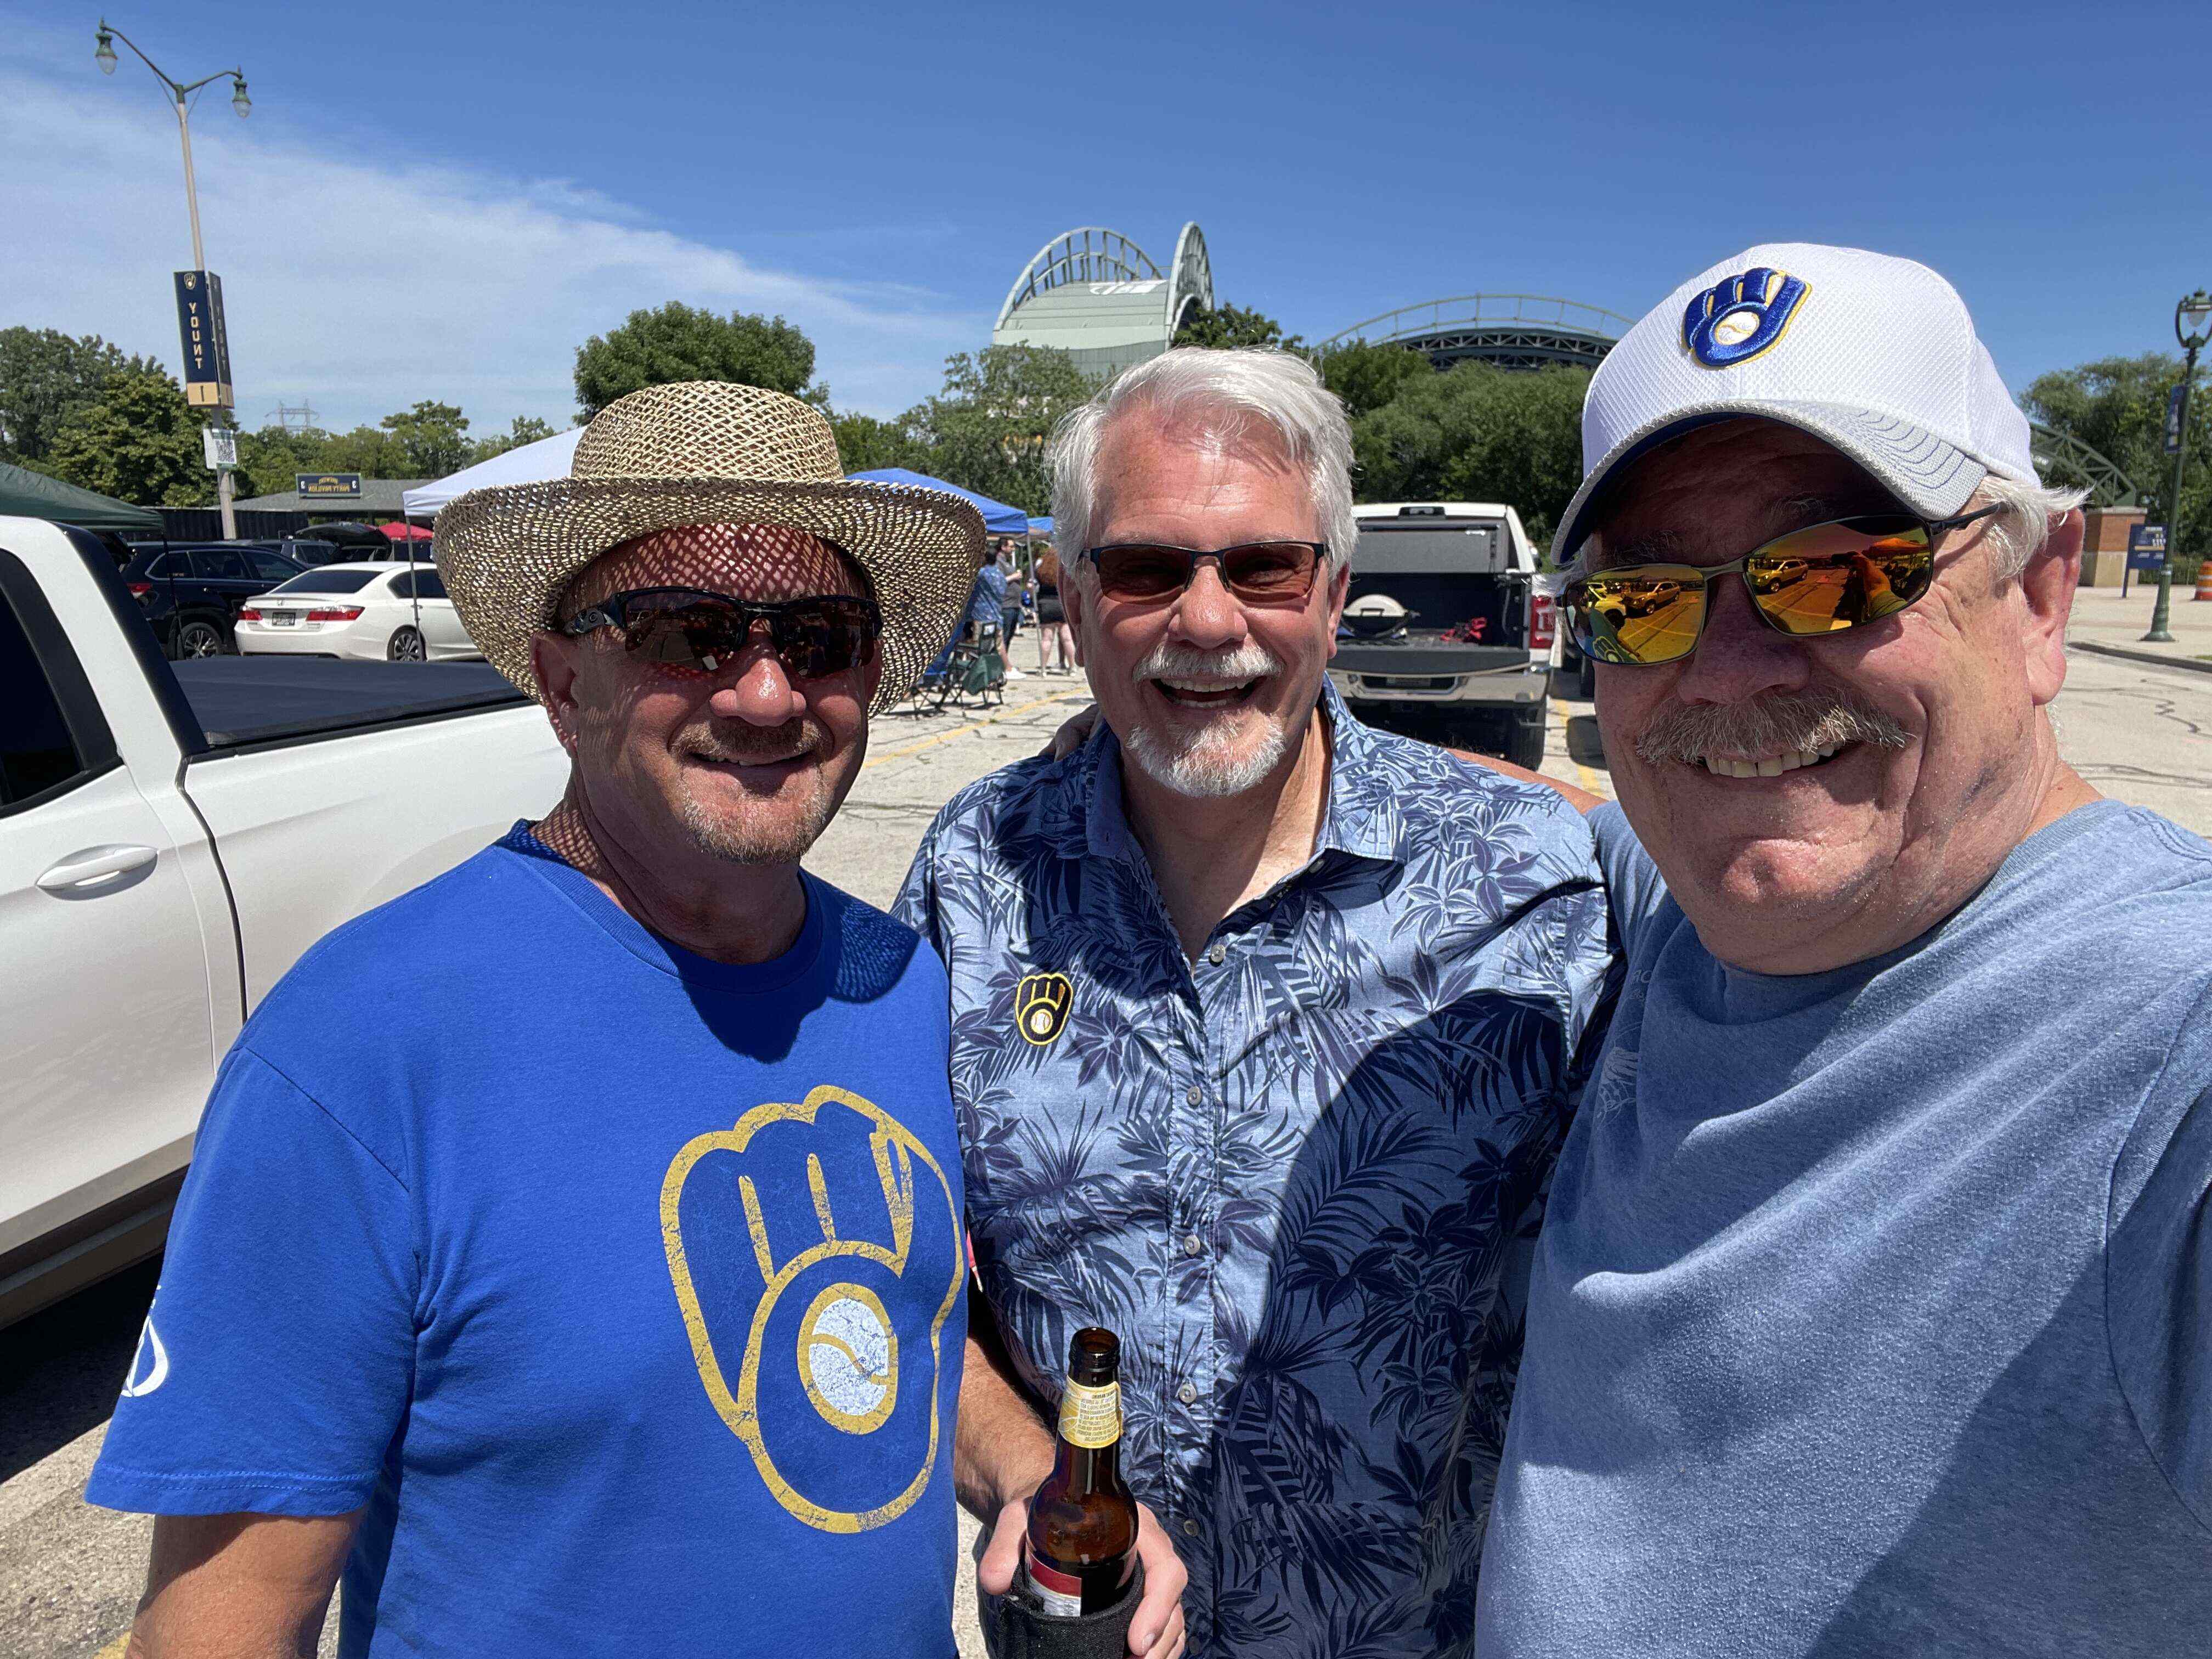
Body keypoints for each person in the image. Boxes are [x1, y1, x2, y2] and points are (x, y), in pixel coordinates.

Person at [87, 382, 989, 1656]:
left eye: (820, 636)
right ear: (565, 681)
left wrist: (1030, 1473)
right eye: (690, 632)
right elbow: (222, 1625)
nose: (767, 693)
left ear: (872, 674)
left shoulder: (901, 983)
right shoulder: (363, 1045)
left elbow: (910, 1321)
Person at [1475, 245, 2212, 1655]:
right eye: (1647, 602)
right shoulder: (1688, 907)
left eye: (1835, 576)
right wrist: (1249, 743)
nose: (1727, 671)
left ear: (2040, 597)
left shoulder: (2169, 1044)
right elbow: (1564, 807)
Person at [899, 348, 1614, 1657]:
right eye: (1145, 568)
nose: (1208, 620)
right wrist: (1017, 1465)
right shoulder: (975, 872)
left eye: (1265, 567)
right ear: (1072, 599)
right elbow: (901, 1271)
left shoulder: (1531, 879)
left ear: (1334, 595)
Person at [1032, 543, 1075, 673]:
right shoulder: (1064, 569)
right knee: (1067, 639)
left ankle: (1043, 669)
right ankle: (1072, 668)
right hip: (1061, 604)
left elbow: (1033, 586)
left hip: (1045, 604)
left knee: (1047, 639)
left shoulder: (1040, 569)